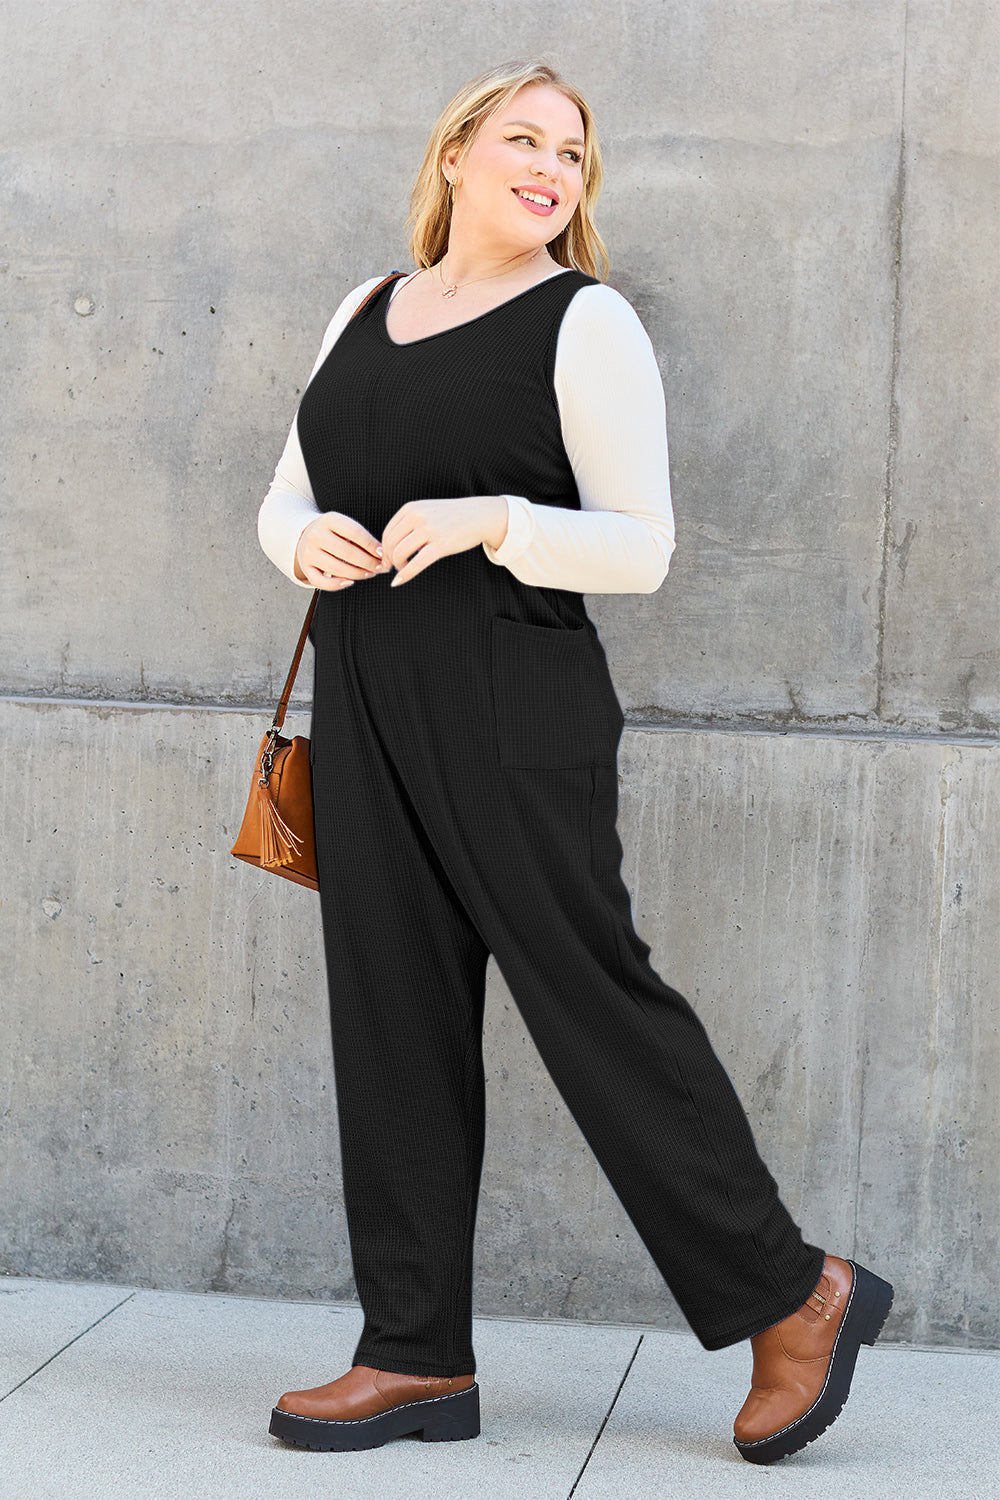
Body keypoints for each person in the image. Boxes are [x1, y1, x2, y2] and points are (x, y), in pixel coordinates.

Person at [255, 60, 893, 1466]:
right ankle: (411, 1354)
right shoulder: (365, 308)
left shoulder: (585, 321)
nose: (552, 166)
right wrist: (296, 540)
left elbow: (643, 547)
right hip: (366, 698)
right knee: (391, 1014)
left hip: (513, 700)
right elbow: (289, 486)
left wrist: (492, 517)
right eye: (525, 140)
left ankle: (796, 1294)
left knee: (591, 1003)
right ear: (458, 157)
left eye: (575, 152)